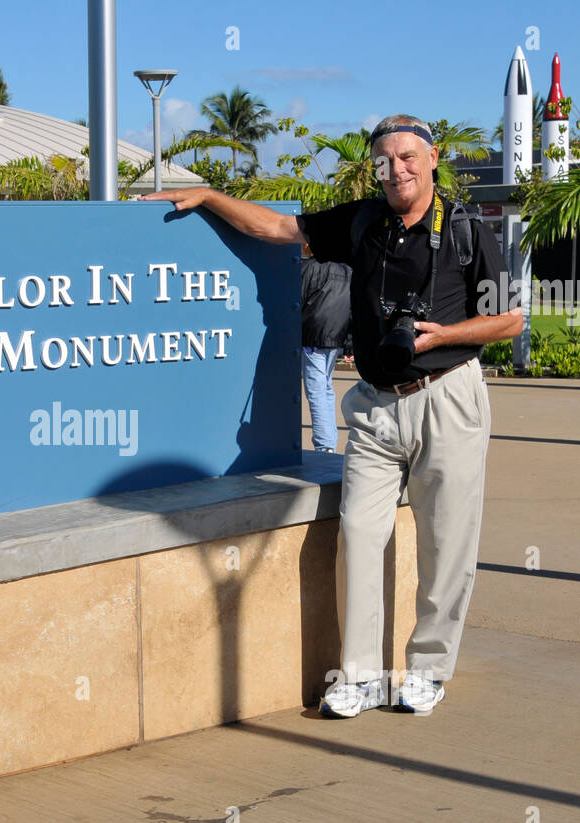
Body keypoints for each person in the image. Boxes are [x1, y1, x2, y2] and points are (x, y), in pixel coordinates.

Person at [141, 114, 522, 717]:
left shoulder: (469, 231)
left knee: (447, 544)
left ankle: (428, 669)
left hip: (448, 396)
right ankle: (361, 675)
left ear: (432, 158)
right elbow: (276, 227)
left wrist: (442, 335)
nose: (396, 169)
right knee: (360, 535)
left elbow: (510, 320)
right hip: (374, 408)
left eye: (407, 158)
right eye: (385, 160)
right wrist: (211, 196)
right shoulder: (363, 220)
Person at [299, 243, 352, 452]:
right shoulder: (346, 269)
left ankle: (325, 445)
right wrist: (348, 345)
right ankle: (328, 440)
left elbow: (297, 301)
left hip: (313, 335)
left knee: (317, 391)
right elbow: (352, 308)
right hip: (335, 335)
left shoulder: (308, 268)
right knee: (325, 388)